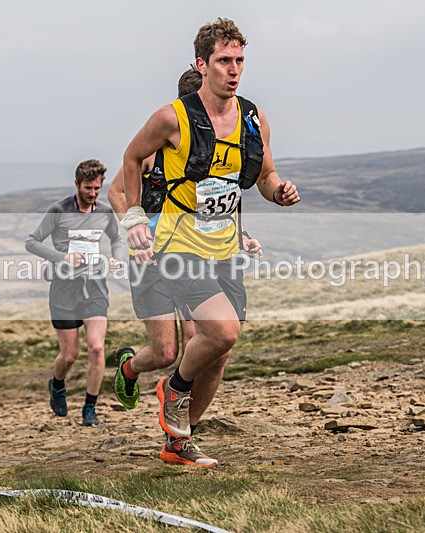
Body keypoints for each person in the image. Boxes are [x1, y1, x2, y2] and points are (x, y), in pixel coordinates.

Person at [120, 18, 299, 467]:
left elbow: (264, 175)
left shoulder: (254, 118)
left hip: (224, 248)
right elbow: (132, 156)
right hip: (179, 246)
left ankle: (179, 441)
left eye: (239, 60)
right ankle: (173, 388)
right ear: (202, 65)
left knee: (219, 352)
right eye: (223, 61)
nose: (233, 69)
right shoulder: (172, 118)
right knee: (223, 330)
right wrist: (134, 216)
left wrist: (278, 191)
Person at [108, 67, 262, 467]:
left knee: (208, 341)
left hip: (192, 254)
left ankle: (179, 437)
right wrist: (134, 228)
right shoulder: (160, 144)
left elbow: (217, 203)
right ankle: (129, 369)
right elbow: (116, 190)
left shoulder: (215, 149)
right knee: (164, 351)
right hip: (150, 255)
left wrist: (240, 236)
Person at [25, 159, 124, 426]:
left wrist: (116, 259)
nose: (92, 193)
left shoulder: (104, 211)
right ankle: (57, 384)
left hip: (94, 286)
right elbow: (31, 242)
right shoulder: (59, 210)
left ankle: (90, 409)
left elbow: (117, 238)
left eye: (97, 188)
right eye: (88, 188)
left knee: (97, 348)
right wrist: (62, 257)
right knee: (69, 356)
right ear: (77, 184)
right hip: (64, 289)